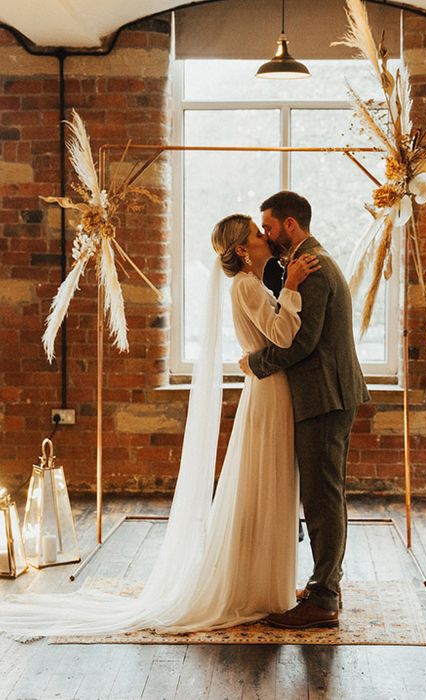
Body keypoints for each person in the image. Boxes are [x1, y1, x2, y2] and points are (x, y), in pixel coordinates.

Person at [0, 214, 319, 634]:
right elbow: (281, 336)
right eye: (258, 235)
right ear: (242, 249)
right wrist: (292, 289)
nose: (265, 239)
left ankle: (265, 582)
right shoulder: (245, 286)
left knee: (267, 483)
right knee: (265, 481)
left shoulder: (250, 285)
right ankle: (255, 587)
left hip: (268, 388)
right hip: (269, 390)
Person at [239, 191, 369, 630]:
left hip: (324, 395)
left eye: (269, 227)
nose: (267, 235)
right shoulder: (307, 262)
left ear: (290, 225)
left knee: (321, 496)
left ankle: (324, 599)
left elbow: (300, 342)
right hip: (327, 393)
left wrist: (255, 364)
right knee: (324, 492)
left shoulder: (311, 268)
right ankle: (325, 583)